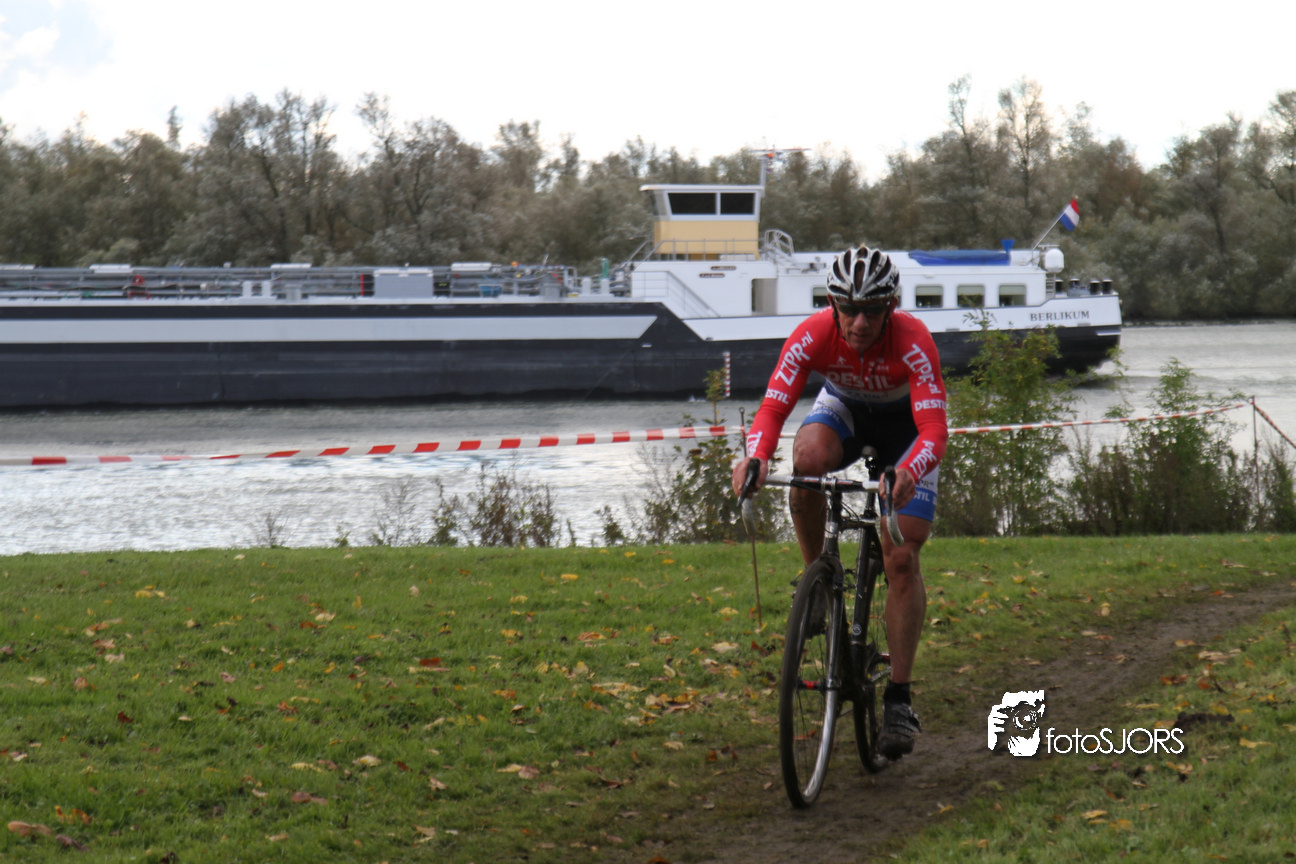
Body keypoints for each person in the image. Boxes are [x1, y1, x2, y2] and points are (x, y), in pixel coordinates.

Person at [731, 245, 948, 760]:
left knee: (901, 557)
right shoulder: (812, 334)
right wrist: (755, 457)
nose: (859, 322)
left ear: (891, 306)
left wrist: (908, 471)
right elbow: (773, 407)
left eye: (872, 311)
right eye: (848, 309)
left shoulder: (913, 340)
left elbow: (934, 431)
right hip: (845, 409)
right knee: (806, 459)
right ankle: (820, 583)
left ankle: (899, 697)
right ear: (832, 305)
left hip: (905, 433)